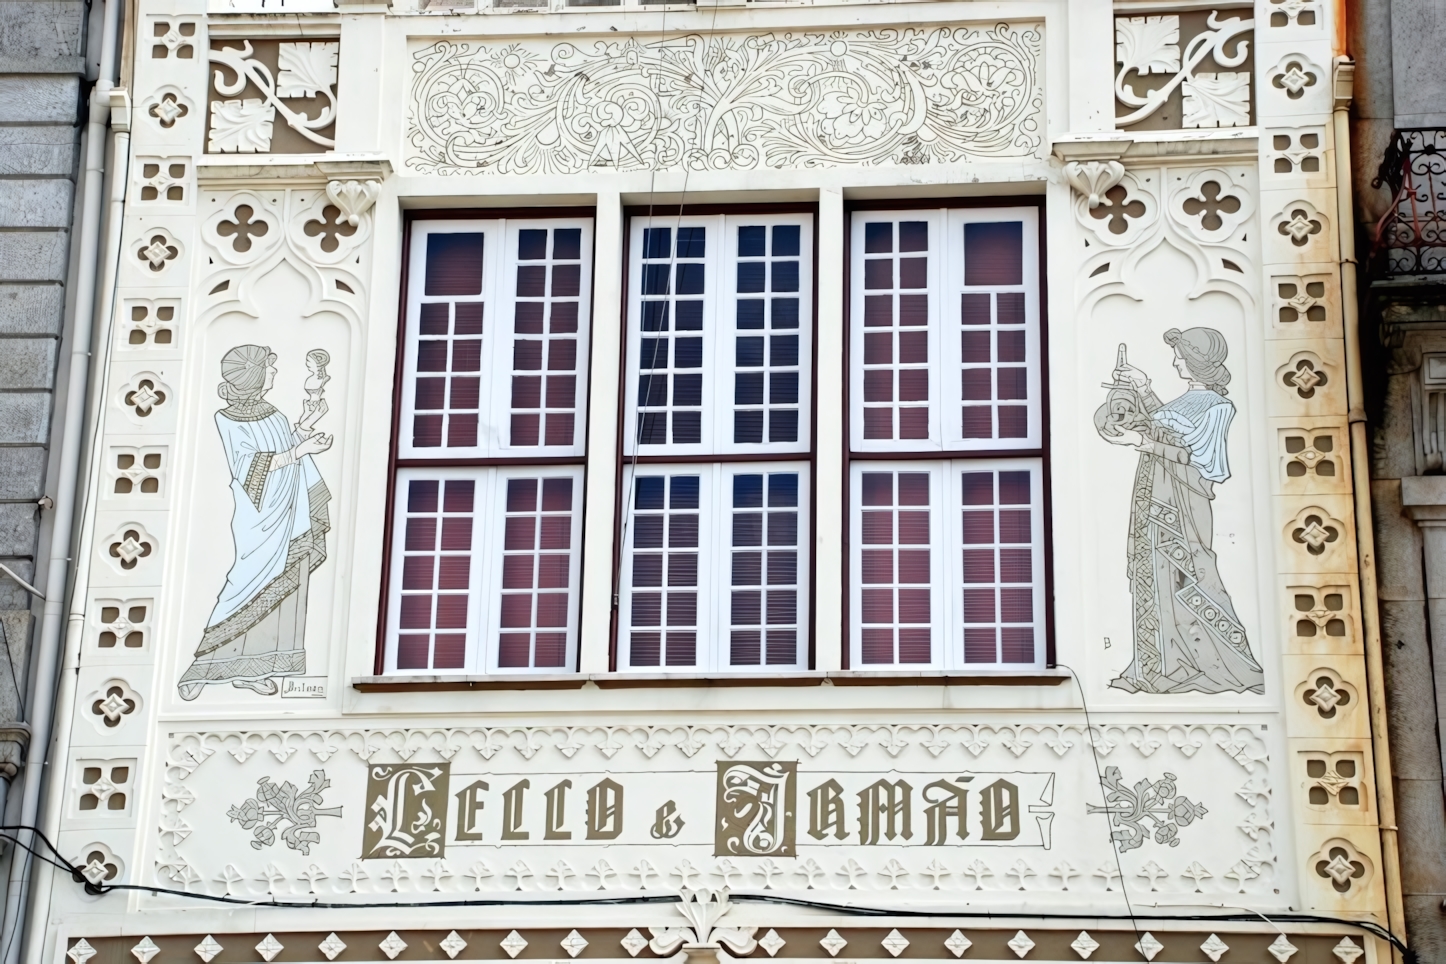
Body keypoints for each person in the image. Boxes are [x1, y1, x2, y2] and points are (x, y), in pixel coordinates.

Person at [1095, 327, 1264, 695]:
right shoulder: (1184, 401)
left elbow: (1199, 463)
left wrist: (1144, 442)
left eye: (1181, 356)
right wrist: (1142, 388)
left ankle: (1211, 663)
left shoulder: (1218, 407)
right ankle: (1157, 666)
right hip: (1154, 498)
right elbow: (1164, 427)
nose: (1175, 361)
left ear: (1197, 362)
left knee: (1189, 579)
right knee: (1153, 580)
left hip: (1183, 507)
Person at [178, 345, 333, 699]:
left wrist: (305, 429)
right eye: (270, 369)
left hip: (288, 511)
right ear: (255, 377)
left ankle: (256, 666)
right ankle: (201, 668)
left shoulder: (273, 413)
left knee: (285, 585)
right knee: (244, 584)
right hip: (259, 518)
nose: (275, 373)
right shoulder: (227, 419)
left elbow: (282, 446)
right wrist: (301, 451)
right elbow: (250, 469)